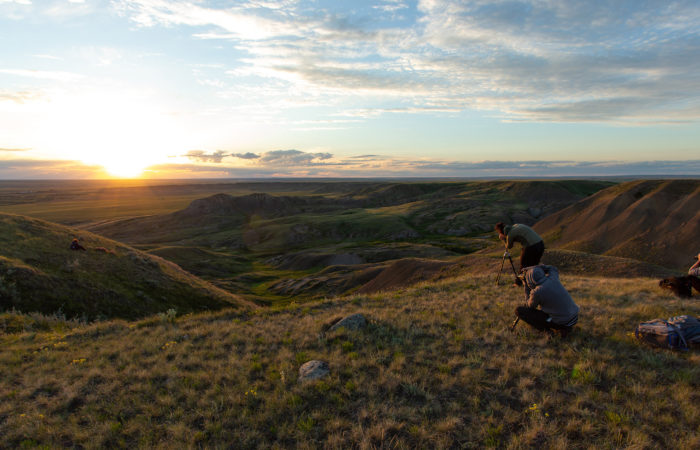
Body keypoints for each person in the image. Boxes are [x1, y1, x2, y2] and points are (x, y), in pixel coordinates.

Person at [515, 264, 579, 338]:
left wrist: (526, 285)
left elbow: (529, 307)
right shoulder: (553, 278)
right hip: (574, 317)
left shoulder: (537, 292)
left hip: (561, 322)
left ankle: (548, 331)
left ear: (530, 280)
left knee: (519, 311)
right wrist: (535, 268)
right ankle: (566, 327)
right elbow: (552, 268)